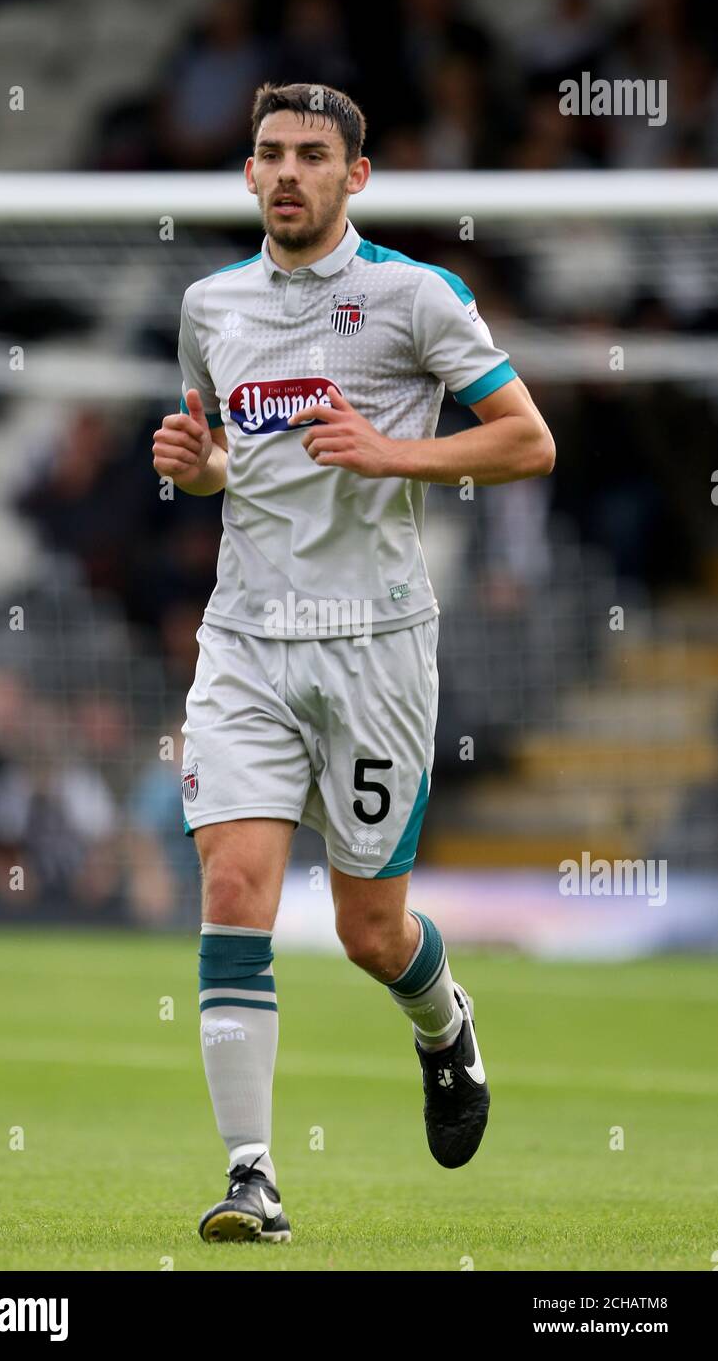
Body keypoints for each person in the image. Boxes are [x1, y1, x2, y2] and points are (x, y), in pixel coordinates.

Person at [151, 82, 555, 1244]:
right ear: (248, 173)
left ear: (355, 177)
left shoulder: (413, 298)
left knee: (371, 932)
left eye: (311, 156)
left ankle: (444, 1026)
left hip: (375, 645)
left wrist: (392, 451)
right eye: (269, 153)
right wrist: (197, 468)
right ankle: (253, 1177)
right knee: (232, 890)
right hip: (245, 640)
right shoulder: (210, 304)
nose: (286, 172)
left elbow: (529, 438)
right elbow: (229, 457)